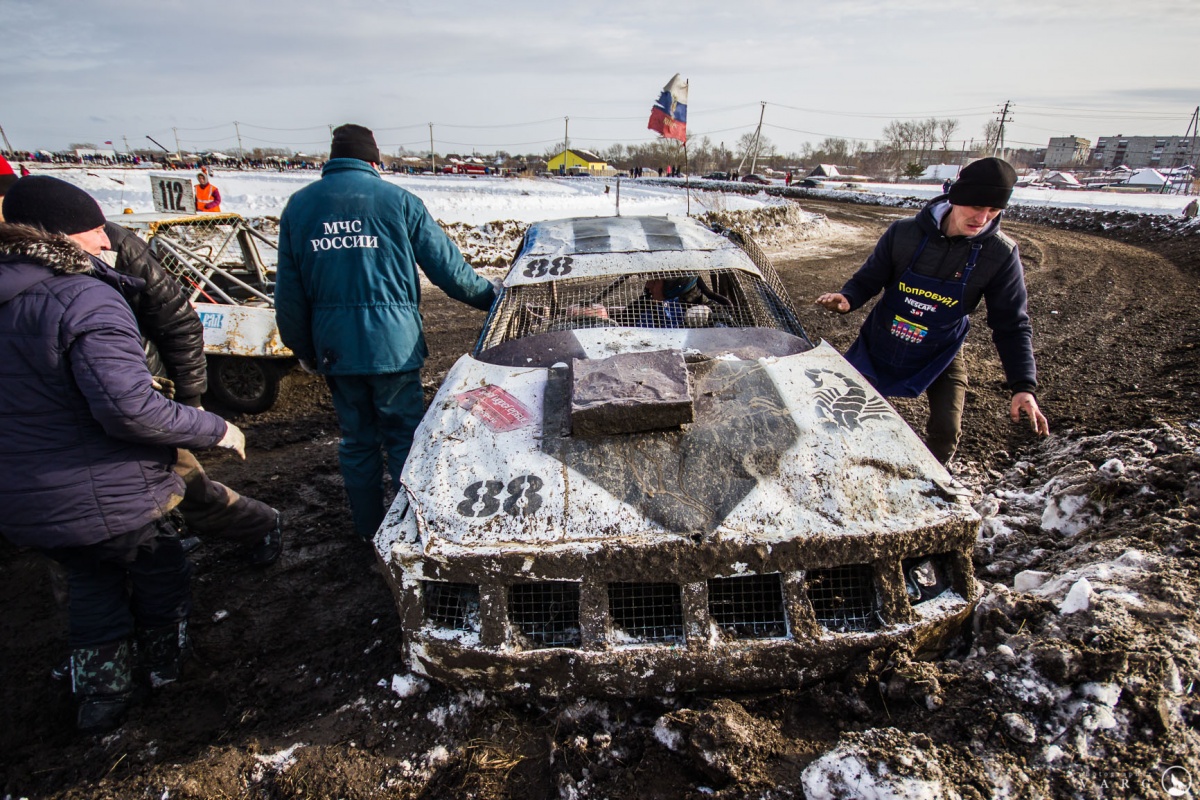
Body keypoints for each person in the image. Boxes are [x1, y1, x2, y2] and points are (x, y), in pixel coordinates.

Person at [0, 177, 247, 733]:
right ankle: (167, 669)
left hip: (24, 497)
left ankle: (101, 692)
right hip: (109, 486)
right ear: (61, 237)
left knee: (88, 582)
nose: (109, 243)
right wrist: (213, 427)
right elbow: (129, 408)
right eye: (95, 231)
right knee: (159, 566)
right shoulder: (83, 297)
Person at [275, 124, 496, 539]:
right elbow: (452, 275)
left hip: (336, 351)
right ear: (373, 160)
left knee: (356, 441)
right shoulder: (399, 202)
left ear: (332, 158)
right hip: (394, 348)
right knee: (404, 439)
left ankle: (366, 531)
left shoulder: (299, 207)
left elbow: (288, 293)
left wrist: (305, 349)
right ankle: (409, 531)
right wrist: (496, 299)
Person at [815, 157, 1049, 464]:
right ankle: (836, 466)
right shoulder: (904, 233)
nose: (983, 217)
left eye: (993, 211)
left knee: (946, 430)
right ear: (956, 197)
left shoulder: (1000, 255)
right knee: (839, 411)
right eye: (976, 206)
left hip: (941, 352)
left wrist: (1023, 387)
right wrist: (848, 297)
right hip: (881, 341)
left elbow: (1012, 324)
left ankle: (927, 488)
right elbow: (869, 278)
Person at [102, 220, 282, 566]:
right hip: (70, 410)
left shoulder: (111, 243)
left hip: (139, 391)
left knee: (180, 478)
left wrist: (189, 403)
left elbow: (176, 320)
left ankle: (259, 523)